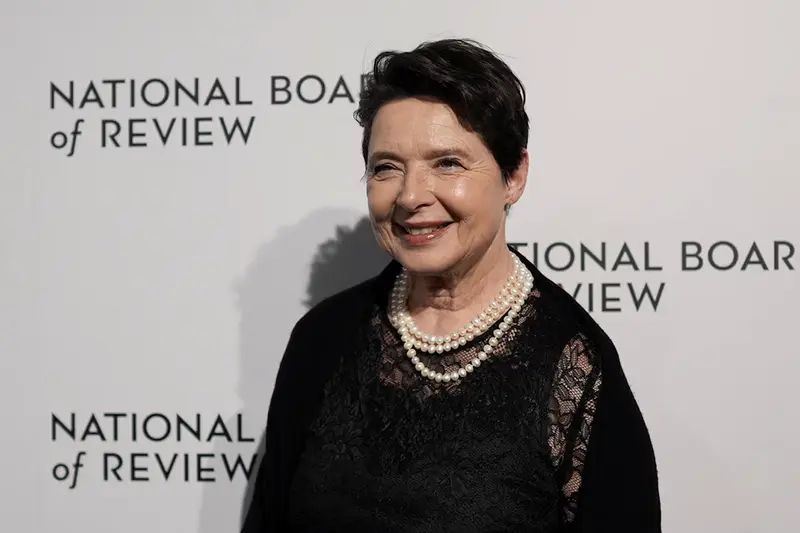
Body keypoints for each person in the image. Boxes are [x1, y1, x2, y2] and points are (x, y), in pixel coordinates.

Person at [241, 38, 661, 532]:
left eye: (448, 163)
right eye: (386, 168)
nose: (411, 195)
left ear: (514, 176)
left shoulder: (575, 364)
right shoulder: (323, 338)